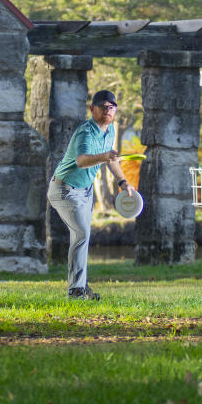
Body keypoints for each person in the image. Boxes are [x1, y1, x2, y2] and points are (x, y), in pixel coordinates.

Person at [46, 89, 130, 300]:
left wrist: (123, 183)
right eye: (103, 107)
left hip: (85, 191)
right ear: (92, 109)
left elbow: (112, 160)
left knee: (82, 236)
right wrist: (105, 156)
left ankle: (80, 287)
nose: (107, 111)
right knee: (82, 234)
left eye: (111, 107)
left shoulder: (109, 130)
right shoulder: (86, 132)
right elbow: (82, 161)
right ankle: (76, 291)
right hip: (64, 190)